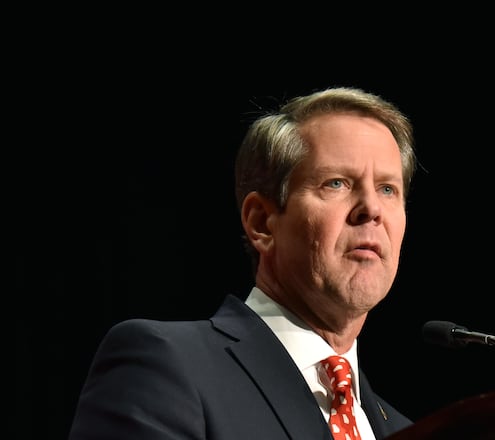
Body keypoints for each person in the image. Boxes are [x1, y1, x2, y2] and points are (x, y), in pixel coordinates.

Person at [69, 86, 418, 439]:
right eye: (337, 183)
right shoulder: (167, 366)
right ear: (261, 223)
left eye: (388, 189)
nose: (372, 209)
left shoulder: (407, 431)